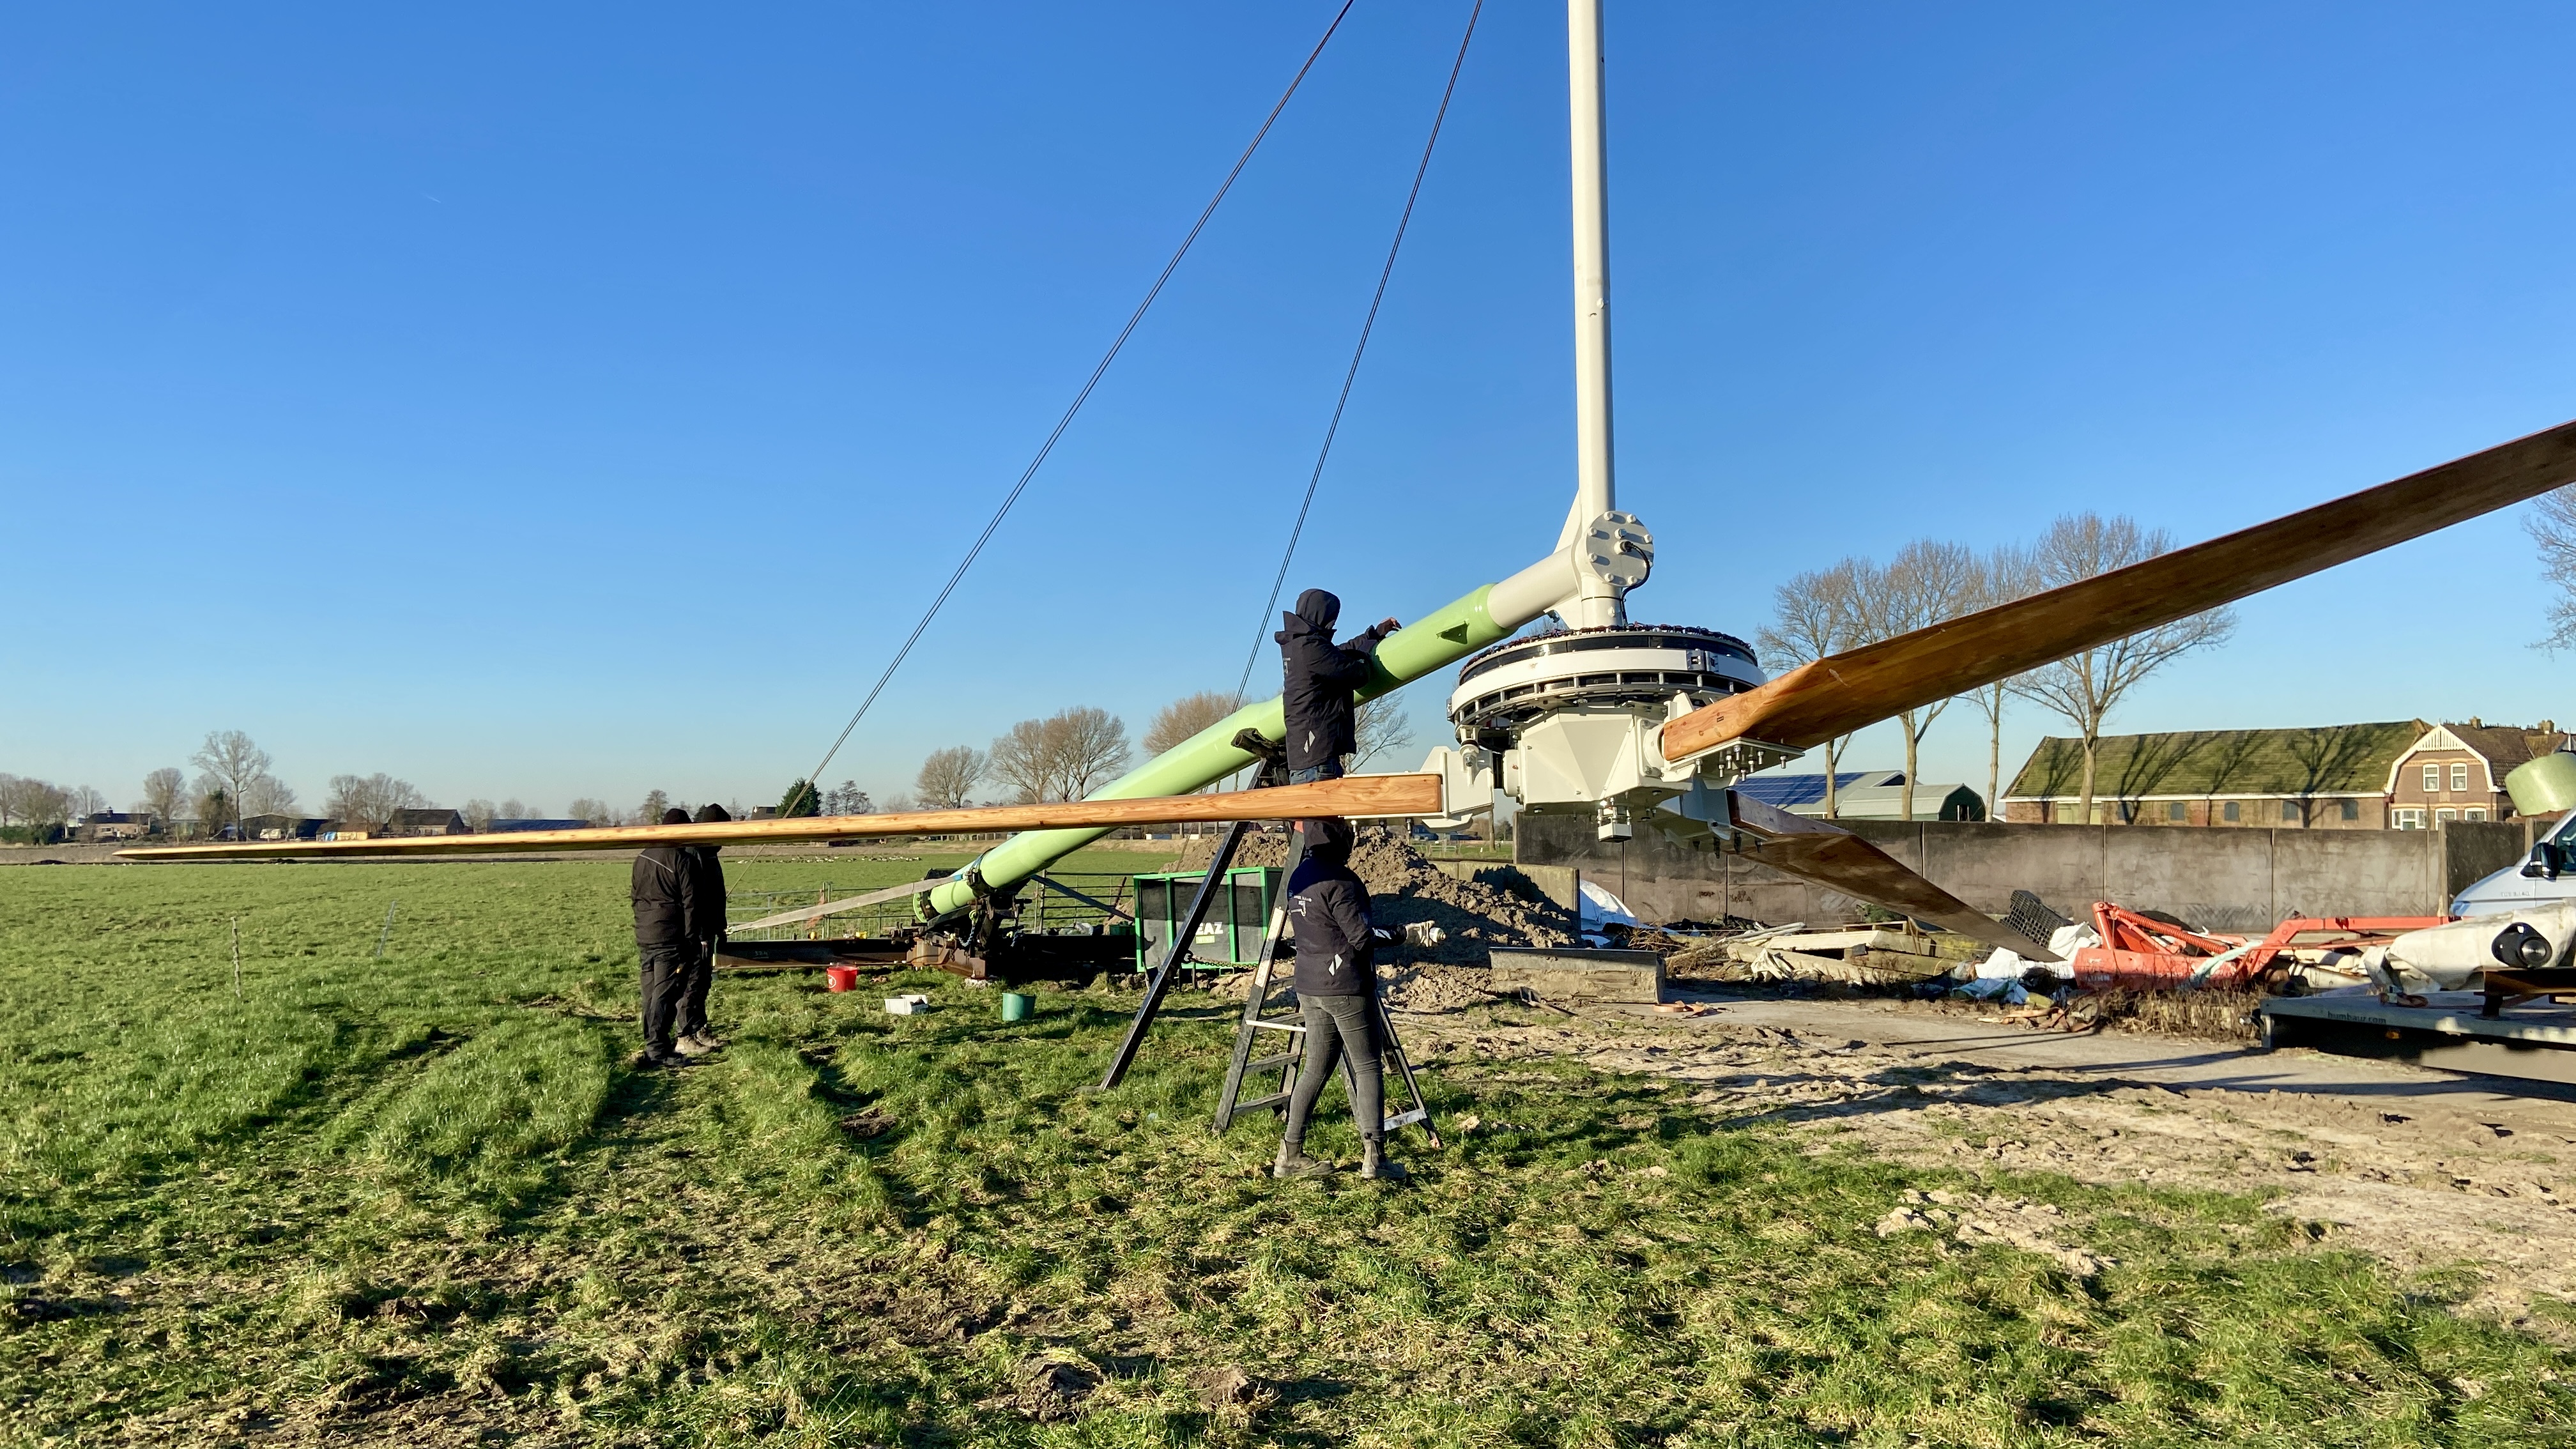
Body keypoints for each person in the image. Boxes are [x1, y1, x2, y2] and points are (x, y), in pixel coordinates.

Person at [1274, 816, 1407, 1182]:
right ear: (1342, 845)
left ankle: (1290, 1154)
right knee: (1367, 1067)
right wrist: (1404, 934)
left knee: (1315, 1068)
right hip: (1346, 984)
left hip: (1310, 986)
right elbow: (1361, 936)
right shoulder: (1343, 882)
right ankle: (1375, 1159)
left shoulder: (1300, 877)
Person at [1276, 588, 1399, 784]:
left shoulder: (1298, 645)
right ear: (1323, 616)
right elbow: (1357, 675)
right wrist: (1365, 658)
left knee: (1310, 815)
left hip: (1306, 760)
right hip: (1318, 761)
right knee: (1320, 816)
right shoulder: (1311, 649)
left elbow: (1340, 651)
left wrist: (1374, 635)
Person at [631, 806, 700, 1068]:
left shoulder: (641, 857)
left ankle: (652, 1044)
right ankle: (658, 1049)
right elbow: (691, 903)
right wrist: (692, 939)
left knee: (650, 992)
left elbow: (635, 896)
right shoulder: (682, 860)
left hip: (645, 934)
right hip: (670, 936)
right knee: (666, 992)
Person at [673, 804, 732, 1056]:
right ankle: (684, 1035)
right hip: (698, 932)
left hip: (709, 928)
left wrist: (719, 927)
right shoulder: (695, 853)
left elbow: (715, 894)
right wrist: (699, 933)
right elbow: (696, 898)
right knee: (692, 983)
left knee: (703, 981)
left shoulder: (710, 853)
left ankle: (699, 1029)